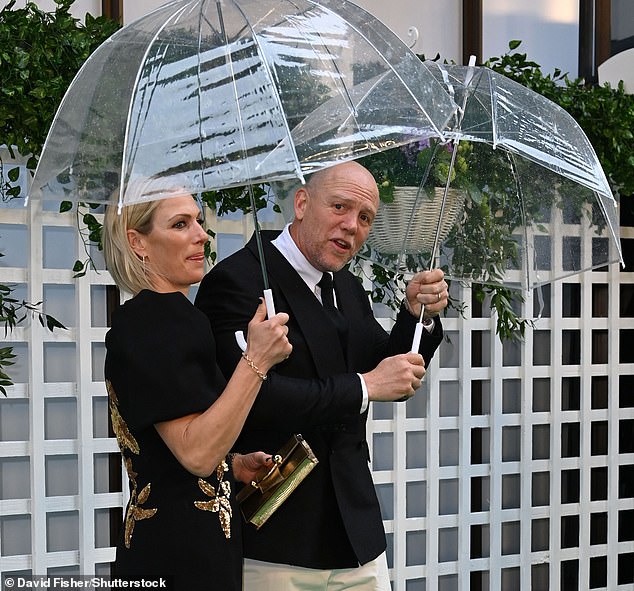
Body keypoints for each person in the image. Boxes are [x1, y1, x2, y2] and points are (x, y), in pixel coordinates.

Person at [195, 161, 448, 590]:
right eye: (339, 207)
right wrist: (365, 386)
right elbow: (256, 398)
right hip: (275, 539)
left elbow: (388, 369)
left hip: (356, 534)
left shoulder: (346, 287)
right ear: (301, 203)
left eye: (365, 217)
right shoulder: (236, 281)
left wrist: (415, 317)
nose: (351, 226)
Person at [102, 185, 292, 591]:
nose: (201, 235)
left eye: (199, 222)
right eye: (180, 224)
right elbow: (195, 452)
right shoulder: (151, 323)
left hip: (192, 545)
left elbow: (168, 445)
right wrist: (256, 361)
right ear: (138, 243)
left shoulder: (174, 319)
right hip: (177, 557)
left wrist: (232, 465)